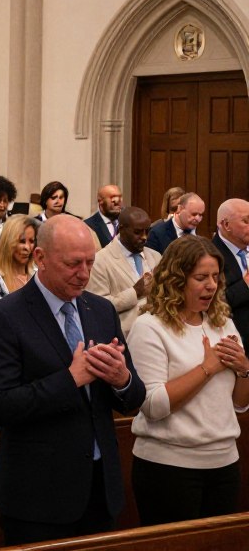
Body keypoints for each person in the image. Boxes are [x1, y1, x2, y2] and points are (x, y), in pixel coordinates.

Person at [0, 215, 145, 544]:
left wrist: (121, 378)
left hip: (100, 488)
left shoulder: (100, 310)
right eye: (72, 264)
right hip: (39, 497)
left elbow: (134, 397)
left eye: (90, 262)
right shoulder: (4, 316)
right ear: (40, 258)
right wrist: (70, 379)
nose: (84, 273)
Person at [127, 235, 249, 526]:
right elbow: (153, 406)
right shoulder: (150, 327)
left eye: (216, 277)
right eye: (201, 277)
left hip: (224, 463)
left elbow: (240, 405)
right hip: (168, 466)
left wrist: (245, 368)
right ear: (176, 279)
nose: (211, 285)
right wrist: (206, 369)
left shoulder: (222, 322)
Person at [86, 206, 162, 335]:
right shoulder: (100, 260)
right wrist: (134, 293)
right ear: (121, 229)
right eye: (137, 232)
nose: (144, 237)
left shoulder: (156, 256)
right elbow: (96, 307)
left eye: (147, 231)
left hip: (157, 331)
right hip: (122, 337)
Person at [212, 198, 249, 345]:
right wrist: (246, 284)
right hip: (234, 340)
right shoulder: (209, 254)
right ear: (226, 225)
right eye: (246, 221)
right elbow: (212, 301)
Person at [0, 214, 38, 299]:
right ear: (8, 242)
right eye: (22, 241)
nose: (27, 247)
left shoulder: (37, 275)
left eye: (31, 241)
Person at [84, 184, 123, 249]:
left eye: (120, 197)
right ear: (100, 201)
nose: (117, 201)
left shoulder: (130, 222)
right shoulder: (88, 226)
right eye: (112, 197)